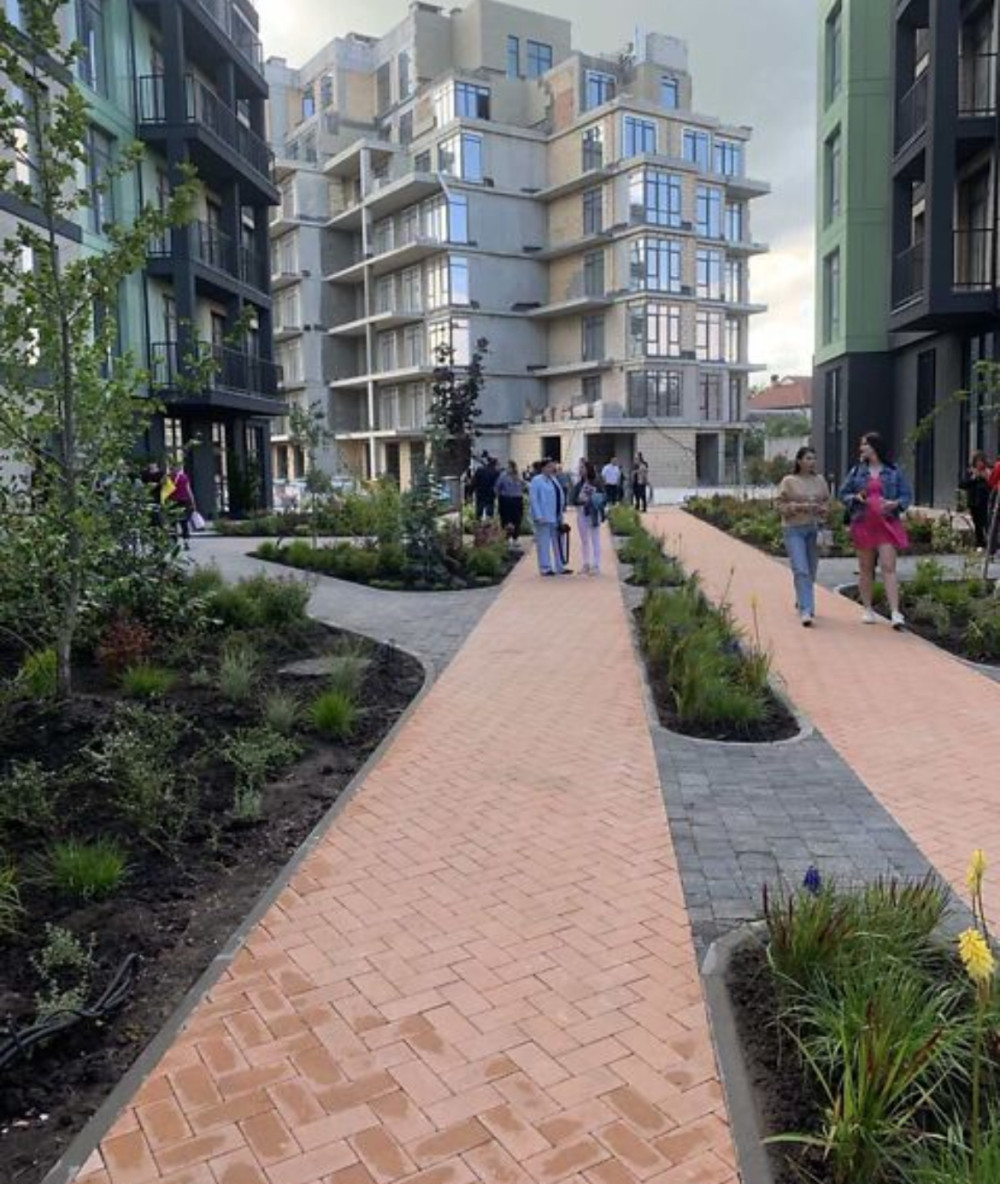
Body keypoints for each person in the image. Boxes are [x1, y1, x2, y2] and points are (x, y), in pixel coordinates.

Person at [839, 431, 912, 630]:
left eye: (865, 444)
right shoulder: (857, 471)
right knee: (866, 568)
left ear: (874, 447)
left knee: (889, 566)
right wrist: (855, 498)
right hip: (863, 523)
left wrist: (895, 504)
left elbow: (906, 496)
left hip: (887, 523)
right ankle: (867, 608)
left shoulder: (894, 471)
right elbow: (843, 493)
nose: (861, 448)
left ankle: (895, 612)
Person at [777, 447, 830, 627]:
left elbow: (826, 502)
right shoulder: (789, 481)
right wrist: (798, 507)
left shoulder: (820, 480)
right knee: (801, 569)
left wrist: (822, 509)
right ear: (799, 461)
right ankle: (807, 610)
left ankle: (802, 599)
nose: (812, 462)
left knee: (811, 571)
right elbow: (779, 505)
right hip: (793, 529)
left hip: (814, 529)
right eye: (808, 458)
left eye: (814, 458)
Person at [529, 458, 570, 576]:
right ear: (543, 468)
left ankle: (560, 566)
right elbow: (534, 499)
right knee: (544, 542)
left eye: (553, 466)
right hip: (543, 516)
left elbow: (559, 495)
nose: (552, 468)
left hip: (556, 515)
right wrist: (538, 515)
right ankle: (545, 568)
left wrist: (561, 511)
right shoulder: (537, 480)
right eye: (549, 466)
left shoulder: (554, 479)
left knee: (559, 541)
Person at [572, 459, 606, 576]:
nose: (580, 470)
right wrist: (579, 500)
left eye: (582, 467)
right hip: (581, 513)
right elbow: (573, 499)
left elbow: (603, 497)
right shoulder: (579, 484)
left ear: (588, 469)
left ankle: (596, 565)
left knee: (595, 539)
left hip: (593, 513)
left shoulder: (596, 483)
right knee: (584, 540)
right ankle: (585, 563)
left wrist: (593, 499)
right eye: (580, 467)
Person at [961, 451, 992, 551]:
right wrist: (973, 478)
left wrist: (986, 478)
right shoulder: (970, 472)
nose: (980, 464)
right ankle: (980, 543)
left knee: (986, 523)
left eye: (981, 461)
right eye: (978, 461)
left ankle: (991, 543)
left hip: (985, 502)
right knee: (977, 524)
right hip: (973, 502)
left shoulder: (987, 472)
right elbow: (962, 485)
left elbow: (992, 485)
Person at [166, 460, 198, 550]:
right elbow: (189, 490)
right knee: (183, 523)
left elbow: (165, 491)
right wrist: (193, 502)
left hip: (173, 502)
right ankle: (185, 542)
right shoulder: (184, 477)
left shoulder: (168, 478)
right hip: (183, 501)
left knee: (173, 523)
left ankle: (174, 542)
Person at [496, 460, 526, 540]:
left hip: (516, 499)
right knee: (506, 518)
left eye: (509, 467)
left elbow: (524, 485)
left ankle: (515, 536)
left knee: (516, 518)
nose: (507, 468)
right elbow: (498, 486)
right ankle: (507, 536)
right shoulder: (503, 475)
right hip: (506, 499)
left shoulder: (518, 476)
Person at [472, 455, 499, 519]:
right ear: (494, 464)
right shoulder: (495, 472)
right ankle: (489, 522)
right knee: (489, 513)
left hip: (480, 493)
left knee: (479, 512)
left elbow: (474, 482)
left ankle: (478, 522)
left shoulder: (479, 470)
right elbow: (497, 485)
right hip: (490, 495)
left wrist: (470, 492)